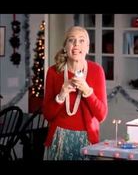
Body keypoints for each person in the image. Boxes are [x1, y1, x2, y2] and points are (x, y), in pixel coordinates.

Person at [42, 26, 108, 160]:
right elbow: (47, 115)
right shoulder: (53, 72)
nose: (76, 44)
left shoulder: (96, 71)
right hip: (58, 138)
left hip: (87, 140)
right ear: (65, 47)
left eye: (81, 41)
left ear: (88, 48)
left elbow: (101, 115)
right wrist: (61, 95)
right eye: (72, 40)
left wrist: (88, 91)